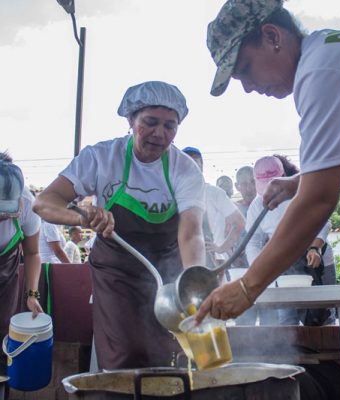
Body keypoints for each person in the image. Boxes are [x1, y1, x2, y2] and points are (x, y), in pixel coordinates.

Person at [195, 0, 340, 322]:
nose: (247, 87)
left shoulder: (321, 71)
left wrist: (249, 286)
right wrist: (297, 181)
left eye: (245, 69)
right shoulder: (331, 54)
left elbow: (318, 201)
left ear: (272, 36)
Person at [33, 81, 206, 370]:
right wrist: (82, 216)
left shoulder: (184, 168)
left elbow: (191, 234)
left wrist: (193, 283)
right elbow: (44, 203)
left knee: (167, 353)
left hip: (165, 272)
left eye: (169, 126)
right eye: (150, 122)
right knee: (123, 352)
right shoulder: (101, 158)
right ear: (131, 119)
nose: (159, 134)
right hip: (115, 272)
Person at [246, 155, 336, 325]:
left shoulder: (303, 192)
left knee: (321, 315)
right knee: (286, 318)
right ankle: (292, 350)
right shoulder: (257, 205)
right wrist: (259, 269)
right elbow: (252, 242)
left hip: (316, 259)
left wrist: (315, 248)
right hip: (284, 265)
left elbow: (323, 220)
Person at [0, 152, 43, 374]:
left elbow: (33, 253)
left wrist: (31, 295)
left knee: (2, 331)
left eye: (6, 211)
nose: (2, 217)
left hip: (5, 273)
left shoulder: (27, 204)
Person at [182, 146, 245, 267]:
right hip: (184, 261)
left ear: (202, 167)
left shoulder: (214, 193)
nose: (192, 170)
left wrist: (221, 248)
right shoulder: (175, 195)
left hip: (215, 263)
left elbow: (240, 222)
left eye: (196, 165)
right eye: (187, 166)